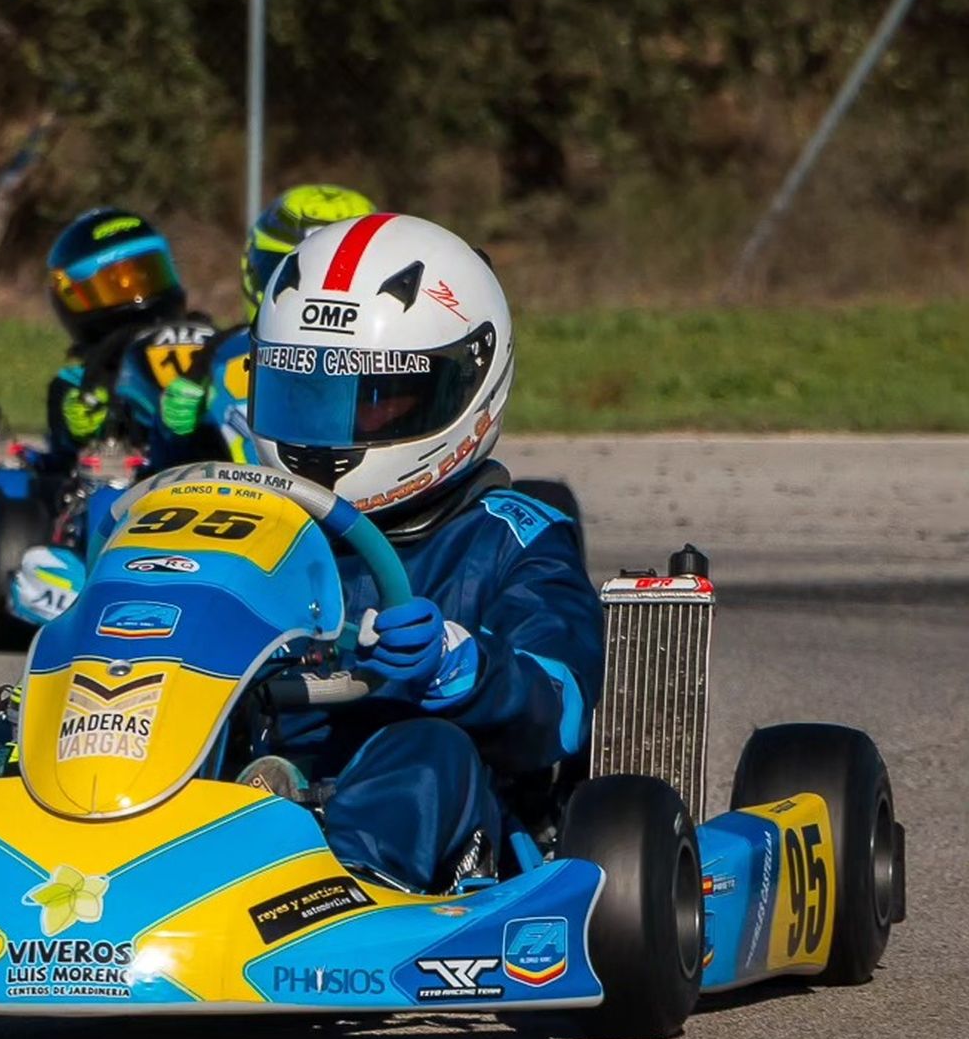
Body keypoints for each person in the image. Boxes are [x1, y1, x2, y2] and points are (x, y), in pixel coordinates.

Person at [244, 211, 603, 893]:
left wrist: (460, 664)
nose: (329, 433)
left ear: (462, 387)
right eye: (308, 395)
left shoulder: (514, 537)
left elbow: (562, 708)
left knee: (425, 749)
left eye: (373, 401)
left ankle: (343, 897)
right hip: (256, 779)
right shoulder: (252, 522)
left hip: (444, 808)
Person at [157, 184, 377, 454]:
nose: (306, 297)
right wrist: (172, 430)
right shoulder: (220, 354)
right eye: (286, 275)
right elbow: (170, 463)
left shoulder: (389, 368)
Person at [41, 207, 215, 468]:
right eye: (113, 284)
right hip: (135, 480)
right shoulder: (80, 381)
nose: (138, 293)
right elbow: (63, 444)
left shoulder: (213, 345)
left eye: (147, 274)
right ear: (72, 298)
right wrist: (81, 425)